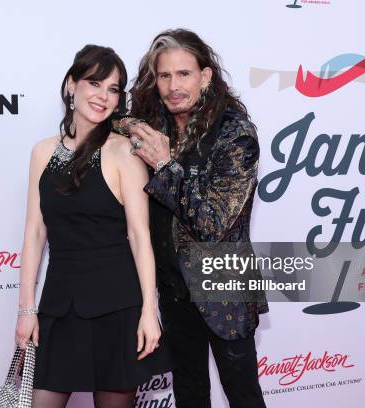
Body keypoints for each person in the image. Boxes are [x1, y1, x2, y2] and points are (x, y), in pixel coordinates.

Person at [114, 29, 269, 408]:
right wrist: (132, 126)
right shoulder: (157, 122)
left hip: (223, 289)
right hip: (173, 289)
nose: (172, 86)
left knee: (243, 395)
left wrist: (163, 165)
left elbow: (212, 223)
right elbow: (113, 118)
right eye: (164, 76)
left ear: (205, 76)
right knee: (190, 393)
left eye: (183, 74)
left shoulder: (236, 135)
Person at [14, 44, 170, 408]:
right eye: (94, 83)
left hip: (117, 307)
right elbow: (35, 233)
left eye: (113, 89)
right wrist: (26, 309)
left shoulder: (123, 153)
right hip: (59, 304)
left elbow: (139, 236)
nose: (103, 96)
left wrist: (149, 311)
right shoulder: (43, 152)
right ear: (71, 85)